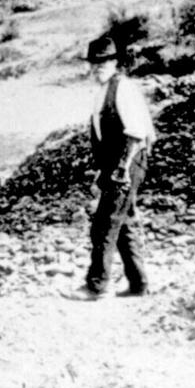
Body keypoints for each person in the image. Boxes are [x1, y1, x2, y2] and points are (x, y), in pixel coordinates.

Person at [69, 36, 155, 300]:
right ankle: (139, 284)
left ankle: (98, 286)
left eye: (104, 61)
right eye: (95, 63)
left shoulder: (123, 89)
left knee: (104, 225)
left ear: (116, 62)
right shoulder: (105, 90)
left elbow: (136, 133)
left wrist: (121, 169)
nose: (98, 67)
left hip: (127, 163)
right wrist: (103, 170)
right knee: (123, 222)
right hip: (116, 165)